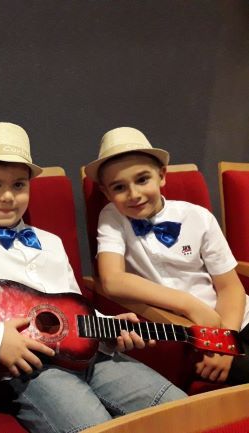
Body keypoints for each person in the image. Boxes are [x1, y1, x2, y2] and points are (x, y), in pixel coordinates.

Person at [0, 122, 186, 433]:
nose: (7, 196)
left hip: (92, 358)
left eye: (18, 185)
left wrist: (109, 328)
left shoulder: (51, 242)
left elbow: (72, 308)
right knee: (97, 428)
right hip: (28, 369)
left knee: (180, 410)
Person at [86, 126, 249, 385]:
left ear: (161, 176)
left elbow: (230, 288)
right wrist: (189, 304)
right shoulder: (112, 217)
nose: (134, 194)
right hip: (188, 334)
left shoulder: (198, 216)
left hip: (235, 321)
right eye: (119, 187)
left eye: (142, 180)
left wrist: (226, 340)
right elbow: (112, 280)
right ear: (106, 192)